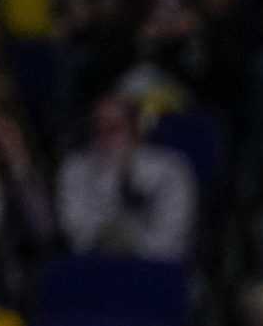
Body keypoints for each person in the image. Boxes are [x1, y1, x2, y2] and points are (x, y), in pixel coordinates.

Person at [55, 90, 194, 259]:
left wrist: (130, 241)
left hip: (155, 269)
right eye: (97, 128)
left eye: (113, 128)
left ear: (135, 130)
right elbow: (76, 232)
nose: (103, 136)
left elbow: (170, 240)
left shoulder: (171, 169)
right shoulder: (75, 167)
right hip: (96, 266)